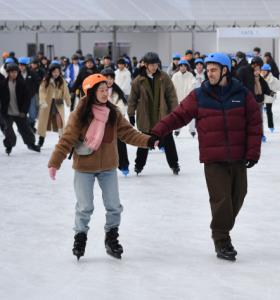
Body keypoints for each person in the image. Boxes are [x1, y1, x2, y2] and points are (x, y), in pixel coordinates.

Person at [148, 52, 262, 261]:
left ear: (225, 70)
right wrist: (158, 131)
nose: (209, 74)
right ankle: (221, 239)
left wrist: (253, 152)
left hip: (238, 157)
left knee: (238, 196)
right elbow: (178, 115)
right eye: (207, 70)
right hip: (213, 158)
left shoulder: (242, 94)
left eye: (213, 70)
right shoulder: (199, 95)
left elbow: (254, 124)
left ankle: (222, 229)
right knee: (222, 200)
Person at [47, 74, 153, 260]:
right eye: (101, 90)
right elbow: (68, 139)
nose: (105, 93)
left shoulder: (113, 113)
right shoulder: (79, 114)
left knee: (113, 206)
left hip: (108, 167)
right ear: (91, 93)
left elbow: (128, 134)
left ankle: (111, 238)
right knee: (85, 206)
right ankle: (80, 238)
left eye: (107, 90)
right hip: (84, 167)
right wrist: (55, 162)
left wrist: (149, 141)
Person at [127, 52, 180, 175]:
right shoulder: (138, 80)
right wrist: (130, 114)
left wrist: (175, 112)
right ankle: (138, 166)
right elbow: (132, 99)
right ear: (145, 65)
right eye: (151, 65)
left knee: (168, 140)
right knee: (144, 141)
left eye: (156, 64)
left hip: (162, 114)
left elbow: (171, 96)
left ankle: (174, 165)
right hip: (145, 115)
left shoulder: (164, 77)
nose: (154, 67)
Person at [0, 63, 40, 154]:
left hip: (19, 112)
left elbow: (27, 98)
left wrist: (24, 111)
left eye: (16, 72)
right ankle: (9, 146)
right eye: (12, 72)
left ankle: (31, 144)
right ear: (8, 73)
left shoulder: (22, 83)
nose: (14, 74)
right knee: (8, 131)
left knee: (25, 129)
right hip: (7, 113)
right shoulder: (3, 84)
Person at [237, 56, 273, 142]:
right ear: (255, 64)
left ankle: (260, 135)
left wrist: (269, 92)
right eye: (259, 66)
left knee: (259, 119)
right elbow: (239, 84)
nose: (260, 69)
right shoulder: (243, 71)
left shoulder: (257, 75)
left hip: (259, 101)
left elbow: (263, 84)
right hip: (248, 101)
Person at [101, 68, 130, 176]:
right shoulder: (97, 91)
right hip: (102, 123)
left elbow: (122, 106)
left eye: (111, 78)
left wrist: (115, 114)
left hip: (115, 121)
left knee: (120, 143)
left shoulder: (117, 91)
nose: (109, 80)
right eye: (106, 78)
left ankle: (124, 164)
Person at [37, 62, 71, 147]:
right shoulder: (46, 80)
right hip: (47, 103)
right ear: (51, 72)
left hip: (58, 103)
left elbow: (66, 92)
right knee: (44, 122)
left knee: (59, 119)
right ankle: (41, 139)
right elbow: (42, 91)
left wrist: (68, 101)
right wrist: (42, 101)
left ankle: (61, 138)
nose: (56, 73)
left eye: (58, 72)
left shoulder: (62, 81)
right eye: (54, 72)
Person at [172, 59, 196, 137]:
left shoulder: (190, 75)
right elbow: (172, 87)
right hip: (178, 99)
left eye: (184, 66)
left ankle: (192, 130)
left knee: (191, 115)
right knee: (179, 115)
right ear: (179, 67)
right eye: (181, 66)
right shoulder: (175, 76)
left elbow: (193, 84)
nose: (183, 67)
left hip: (188, 100)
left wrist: (192, 86)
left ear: (187, 67)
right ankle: (177, 129)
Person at [261, 63, 280, 133]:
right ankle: (260, 127)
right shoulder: (259, 78)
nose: (263, 72)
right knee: (259, 113)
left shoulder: (273, 79)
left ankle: (271, 126)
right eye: (262, 70)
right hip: (261, 97)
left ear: (268, 71)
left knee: (269, 112)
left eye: (265, 71)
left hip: (269, 98)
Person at [18, 57, 40, 133]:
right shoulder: (16, 73)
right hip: (20, 98)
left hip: (31, 96)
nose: (21, 66)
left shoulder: (32, 73)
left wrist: (32, 92)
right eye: (20, 65)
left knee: (33, 114)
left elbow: (37, 83)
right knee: (21, 113)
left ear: (26, 65)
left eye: (23, 65)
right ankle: (24, 127)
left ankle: (30, 126)